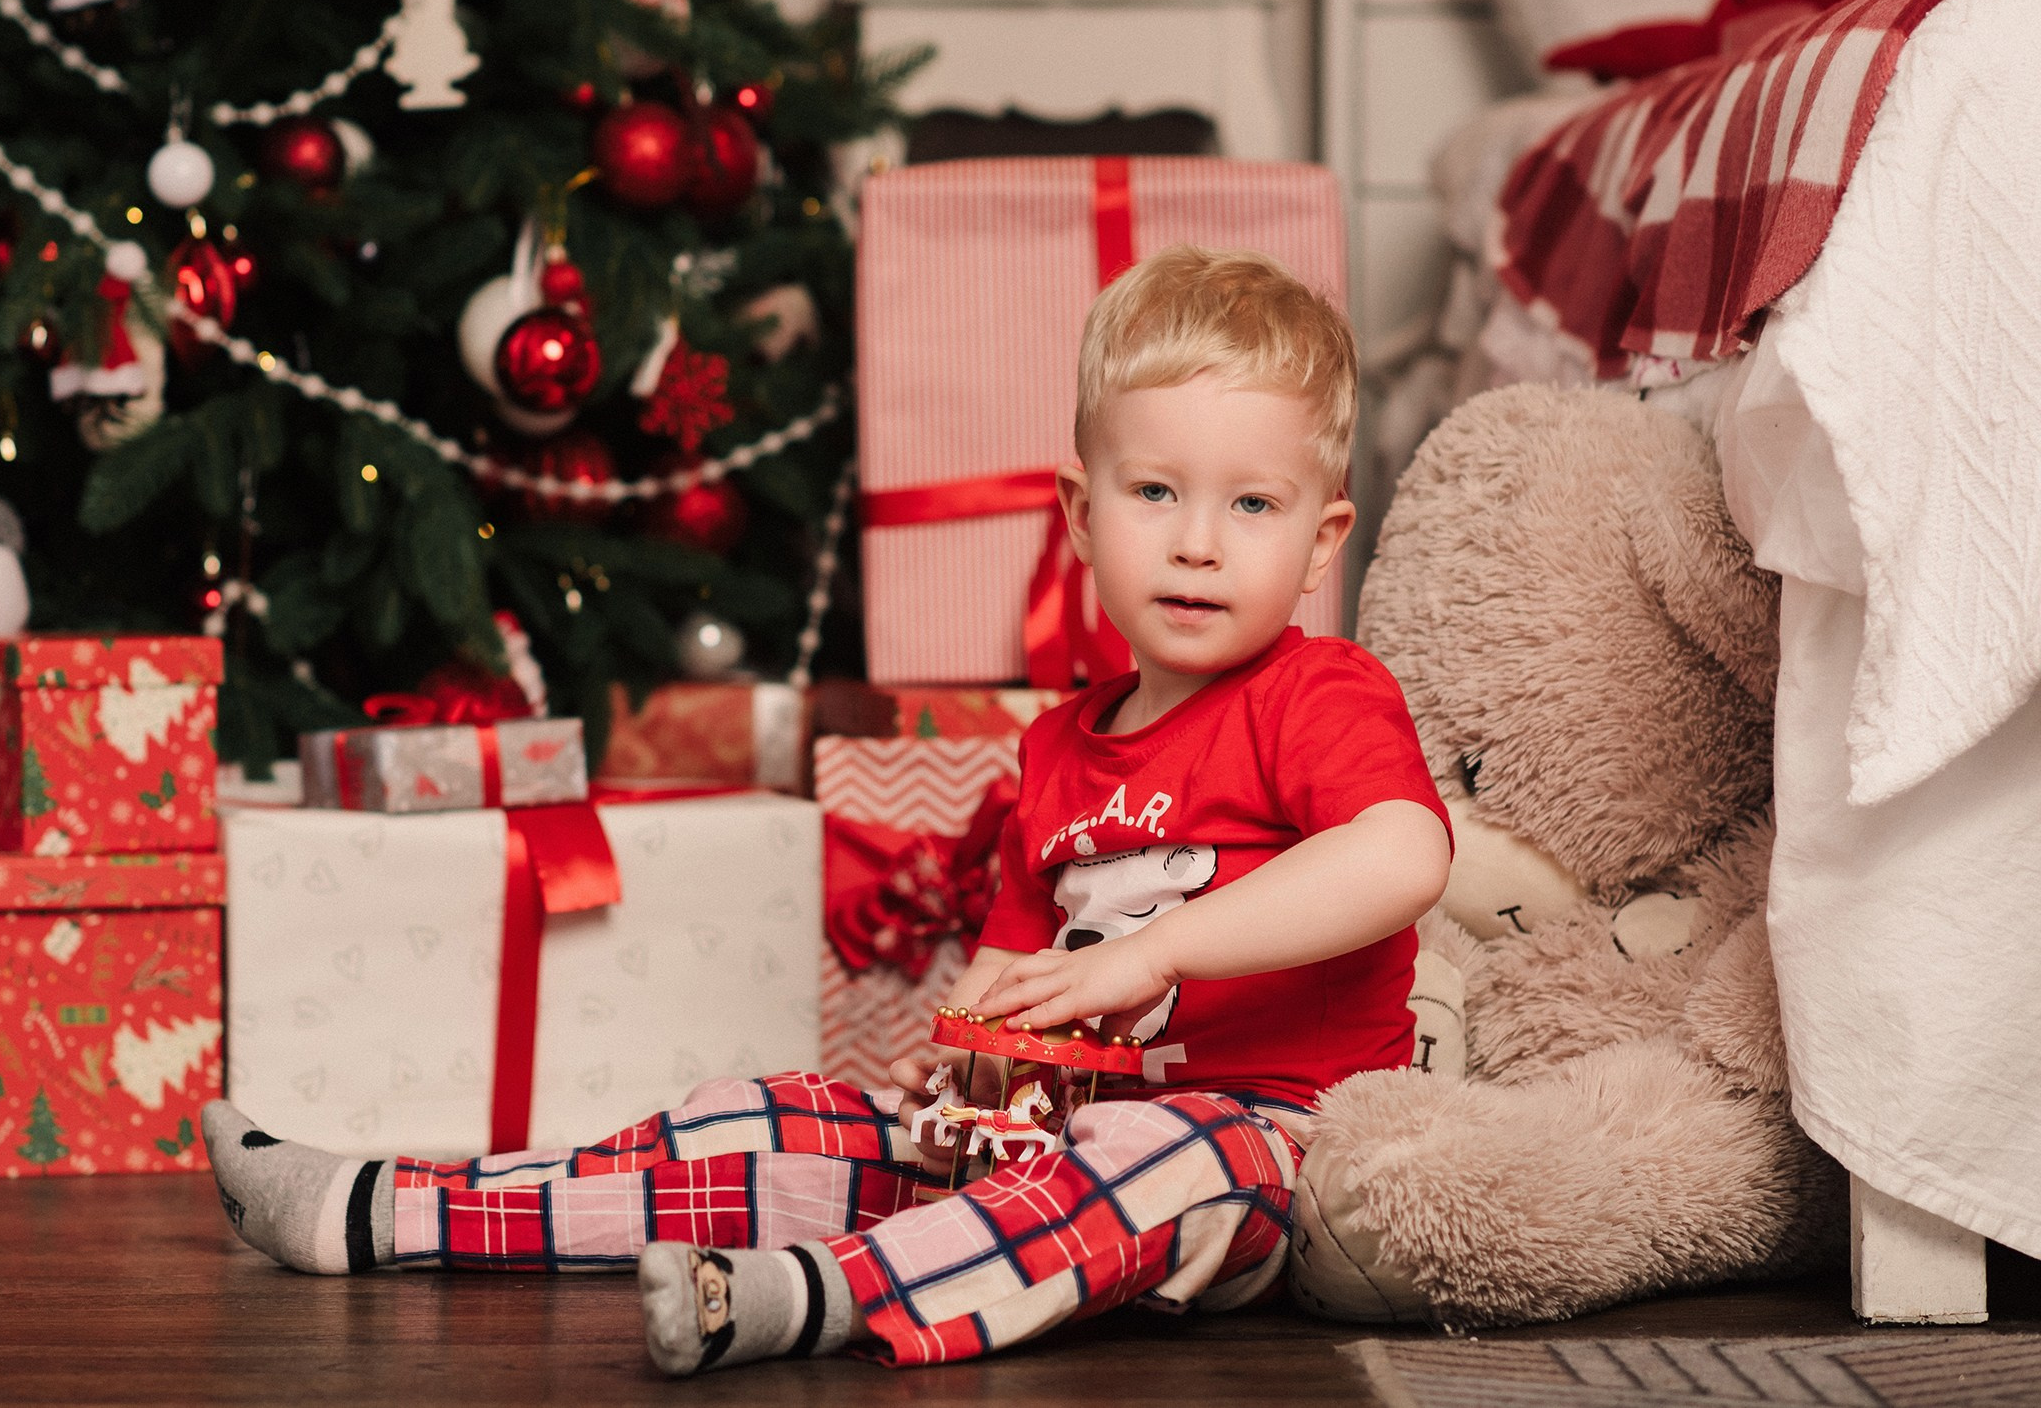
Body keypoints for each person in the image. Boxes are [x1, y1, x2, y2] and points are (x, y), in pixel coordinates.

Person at [200, 246, 1454, 1373]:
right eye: (1155, 493)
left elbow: (1401, 854)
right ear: (1080, 512)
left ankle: (811, 1294)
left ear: (1321, 536)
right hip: (1061, 1128)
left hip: (1275, 1140)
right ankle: (386, 1206)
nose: (1196, 544)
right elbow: (1014, 967)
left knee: (1146, 1159)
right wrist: (973, 1061)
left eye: (1251, 505)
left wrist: (1160, 947)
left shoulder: (1317, 692)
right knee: (774, 1113)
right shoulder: (1059, 745)